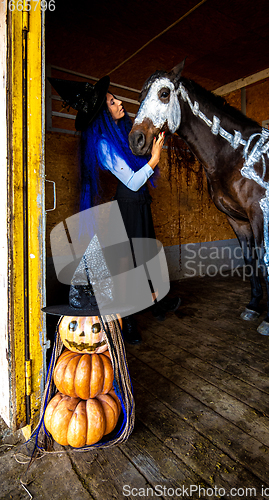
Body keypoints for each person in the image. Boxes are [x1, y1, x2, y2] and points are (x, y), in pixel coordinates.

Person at [48, 76, 181, 344]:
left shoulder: (120, 134)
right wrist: (154, 159)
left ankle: (156, 303)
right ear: (103, 112)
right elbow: (132, 180)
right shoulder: (102, 145)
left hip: (139, 203)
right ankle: (128, 322)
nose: (119, 102)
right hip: (128, 205)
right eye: (112, 101)